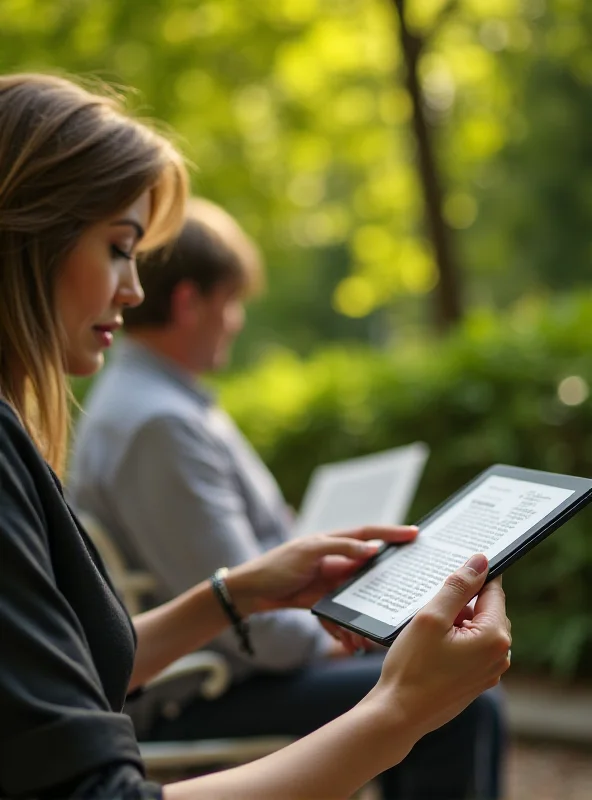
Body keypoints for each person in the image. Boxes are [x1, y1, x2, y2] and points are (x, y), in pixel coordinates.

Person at [0, 72, 512, 800]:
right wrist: (402, 710)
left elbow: (55, 664)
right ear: (29, 233)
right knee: (464, 711)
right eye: (119, 247)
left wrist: (234, 594)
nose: (133, 289)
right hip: (200, 699)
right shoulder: (126, 425)